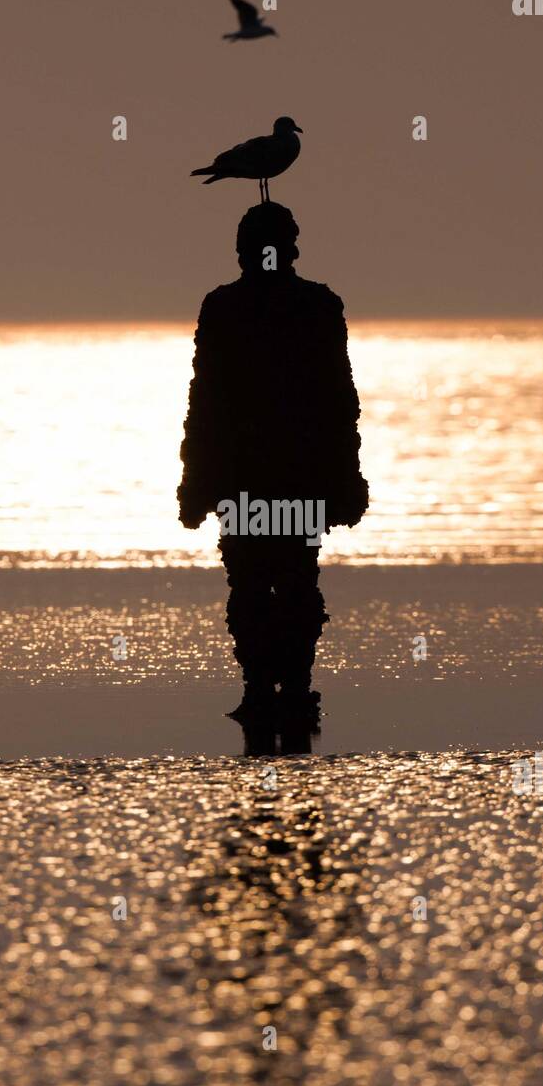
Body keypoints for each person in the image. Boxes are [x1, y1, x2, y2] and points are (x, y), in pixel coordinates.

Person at [177, 203, 368, 722]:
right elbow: (338, 401)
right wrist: (346, 480)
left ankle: (272, 687)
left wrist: (195, 484)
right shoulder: (311, 306)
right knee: (282, 580)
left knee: (265, 583)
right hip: (283, 473)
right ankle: (276, 687)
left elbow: (206, 402)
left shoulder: (238, 308)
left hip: (259, 475)